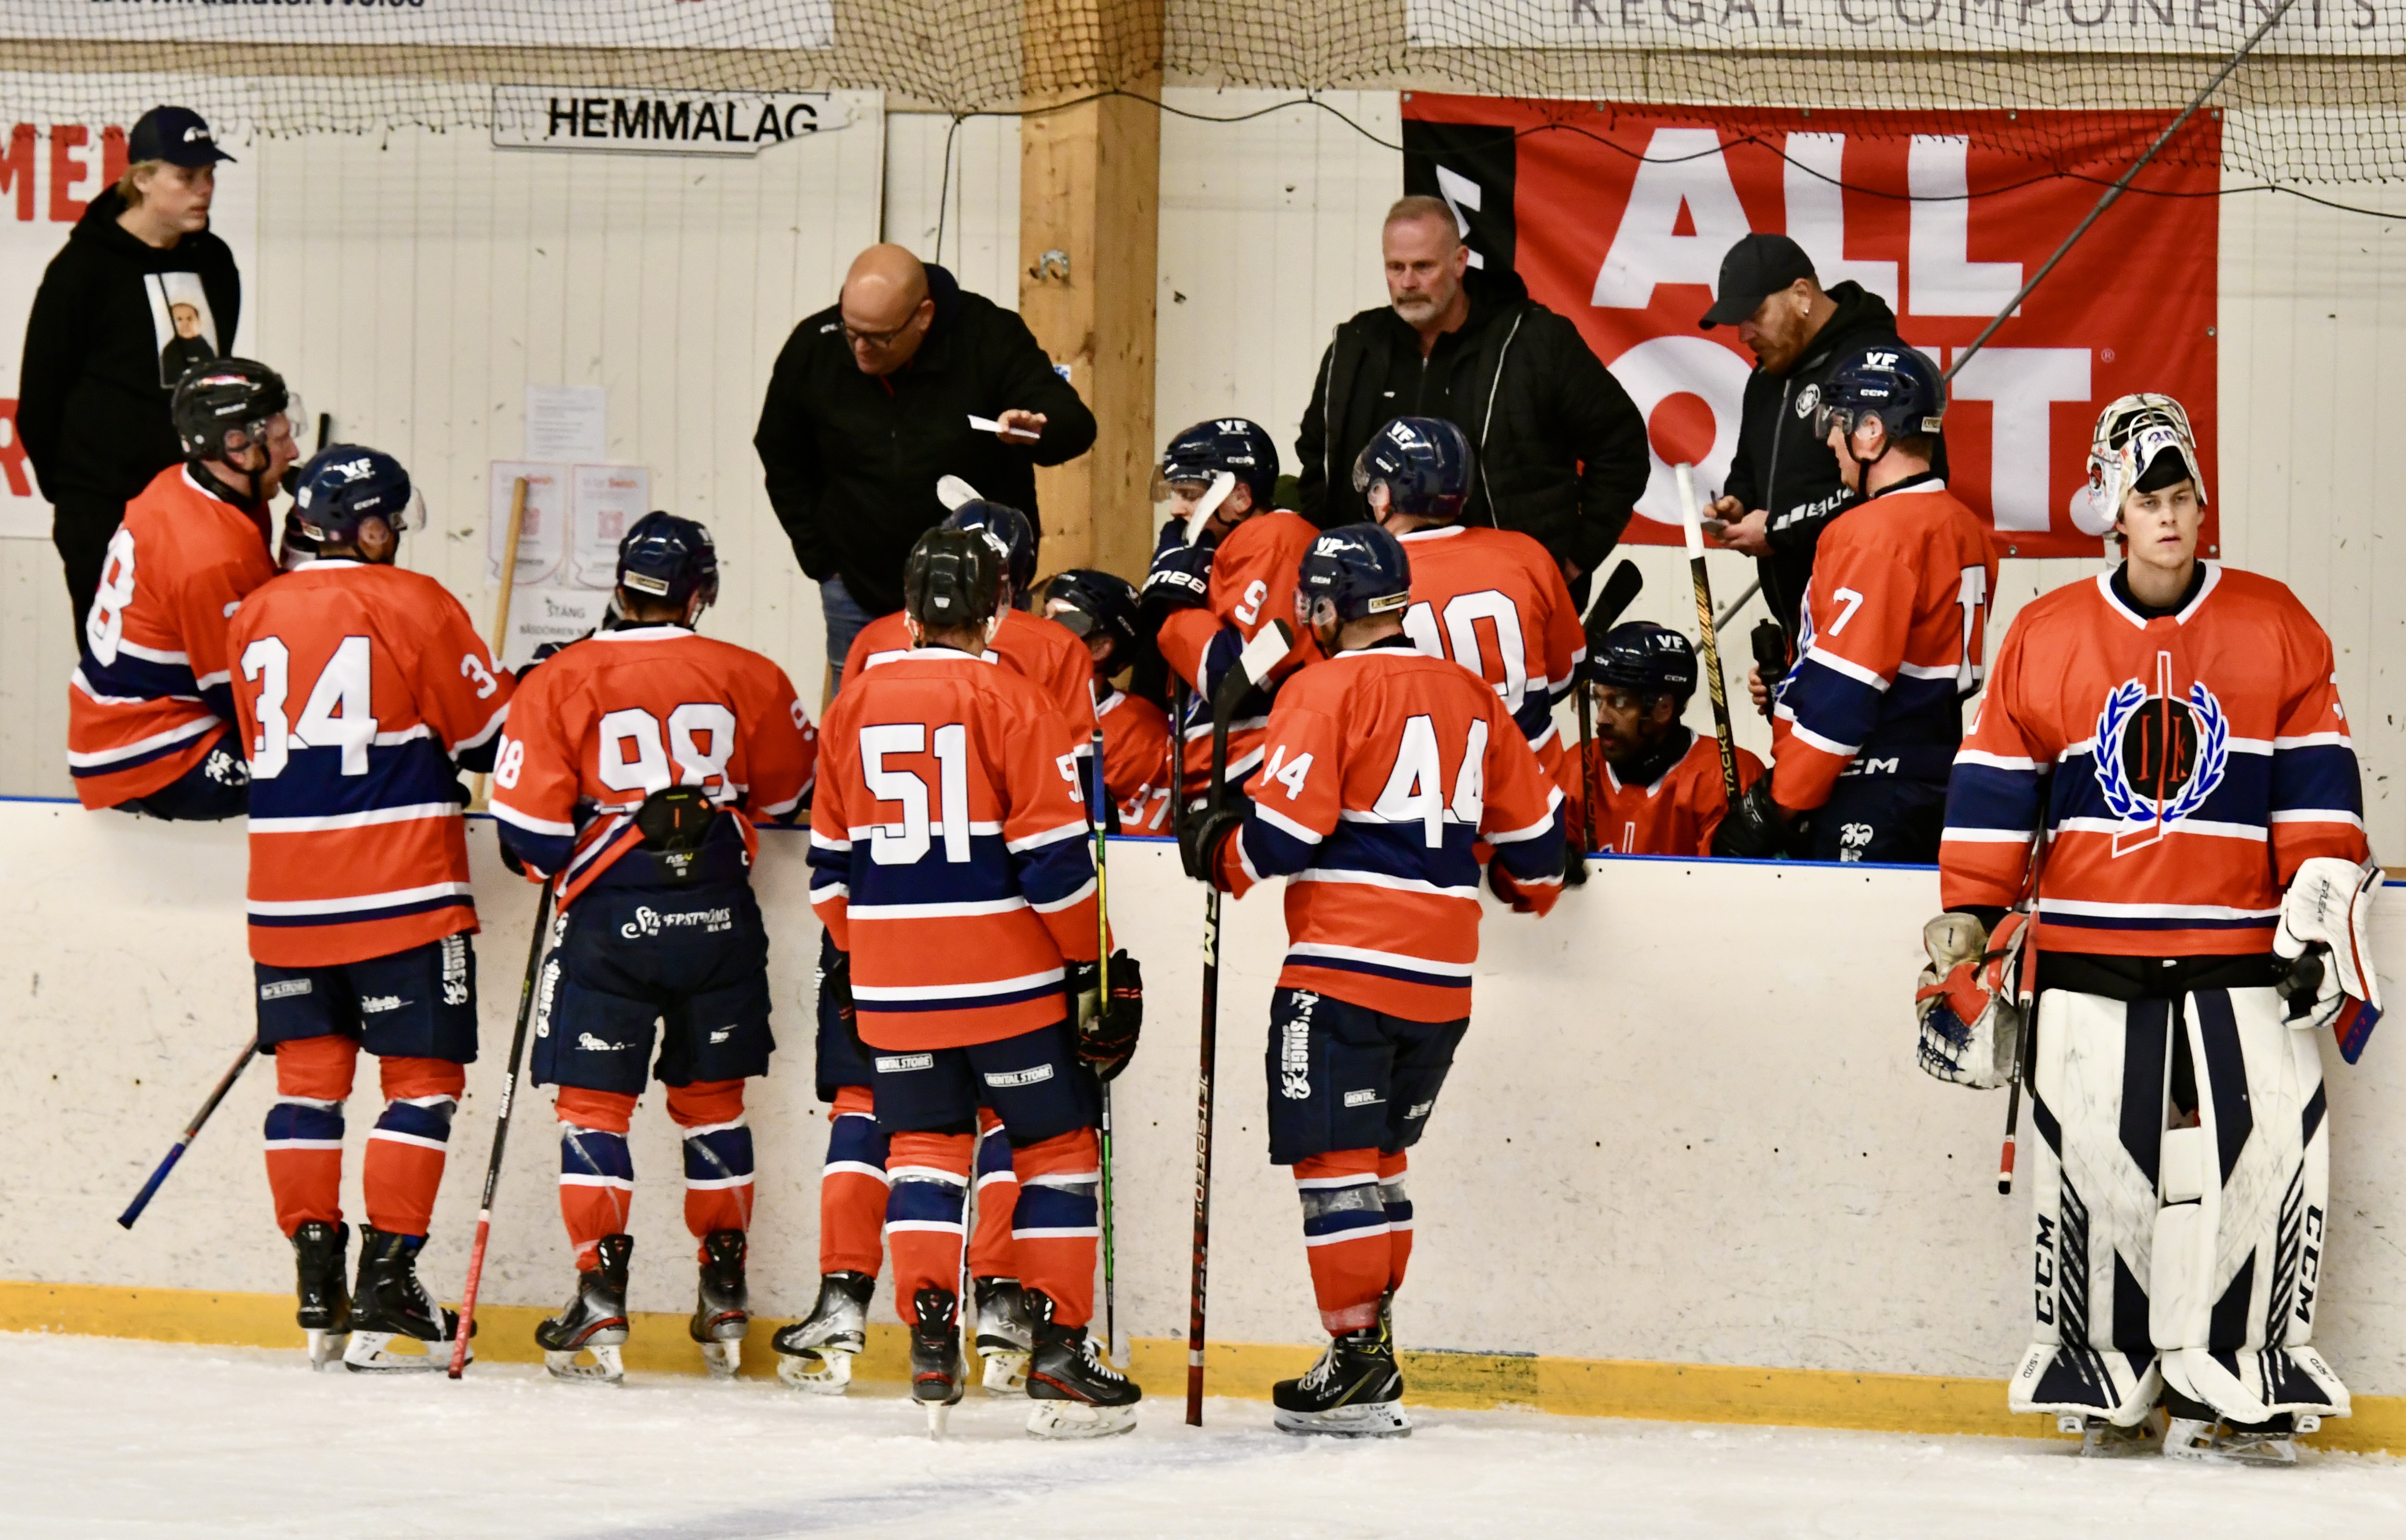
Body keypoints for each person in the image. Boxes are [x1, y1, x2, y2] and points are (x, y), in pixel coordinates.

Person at [1926, 393, 2375, 1464]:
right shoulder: (2045, 633)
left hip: (2239, 949)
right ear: (2108, 513)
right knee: (2090, 1159)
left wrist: (2316, 921)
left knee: (2273, 1150)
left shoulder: (2273, 620)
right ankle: (2100, 1367)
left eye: (2179, 497)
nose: (2168, 517)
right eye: (2146, 498)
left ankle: (2250, 1368)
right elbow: (1995, 787)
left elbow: (2316, 793)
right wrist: (1969, 919)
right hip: (2087, 945)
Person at [1178, 523, 1566, 1437]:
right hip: (1441, 982)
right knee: (1381, 1164)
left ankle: (1354, 1361)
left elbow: (1279, 839)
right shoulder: (1470, 694)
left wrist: (1217, 848)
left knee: (1334, 1164)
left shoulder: (1320, 688)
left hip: (1344, 967)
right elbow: (1539, 862)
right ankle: (1371, 1350)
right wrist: (1506, 879)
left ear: (1326, 604)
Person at [806, 526, 1146, 1438]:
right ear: (998, 605)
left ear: (910, 609)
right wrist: (1095, 960)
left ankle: (927, 1334)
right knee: (1055, 1147)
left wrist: (876, 952)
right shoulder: (1014, 699)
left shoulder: (852, 704)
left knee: (921, 1145)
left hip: (892, 984)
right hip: (1008, 982)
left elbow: (828, 876)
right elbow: (1052, 863)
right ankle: (1061, 1354)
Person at [485, 513, 816, 1385]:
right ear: (701, 591)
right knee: (714, 1106)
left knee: (594, 1111)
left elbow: (525, 832)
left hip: (611, 928)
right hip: (718, 921)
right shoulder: (752, 673)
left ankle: (599, 1293)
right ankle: (726, 1286)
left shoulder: (563, 676)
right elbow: (793, 798)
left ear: (619, 583)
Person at [225, 446, 513, 1373]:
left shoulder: (256, 611)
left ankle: (318, 1278)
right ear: (374, 527)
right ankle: (389, 1272)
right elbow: (488, 738)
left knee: (307, 1087)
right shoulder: (415, 601)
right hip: (401, 892)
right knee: (420, 1084)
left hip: (283, 897)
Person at [754, 244, 1097, 684]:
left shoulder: (989, 337)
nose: (860, 349)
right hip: (858, 588)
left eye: (879, 338)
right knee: (864, 720)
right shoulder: (815, 346)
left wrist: (1035, 431)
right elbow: (781, 452)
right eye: (850, 331)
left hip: (979, 595)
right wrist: (822, 559)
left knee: (988, 714)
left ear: (924, 315)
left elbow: (1076, 425)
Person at [1712, 345, 1993, 865]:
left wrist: (1781, 803)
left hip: (1866, 789)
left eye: (1837, 423)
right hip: (1934, 782)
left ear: (1871, 430)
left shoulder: (1871, 533)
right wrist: (1794, 681)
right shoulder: (1962, 525)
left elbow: (1845, 695)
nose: (1830, 441)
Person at [1295, 196, 1648, 598]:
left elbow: (1622, 446)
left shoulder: (1534, 341)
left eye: (1424, 267)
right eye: (1396, 267)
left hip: (1505, 600)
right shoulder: (1353, 347)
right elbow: (1316, 459)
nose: (1408, 283)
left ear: (1461, 261)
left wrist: (1575, 558)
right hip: (1370, 607)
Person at [18, 105, 242, 631]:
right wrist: (83, 496)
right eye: (186, 177)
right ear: (141, 179)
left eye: (209, 175)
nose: (204, 189)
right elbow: (41, 402)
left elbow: (214, 376)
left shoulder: (214, 262)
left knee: (201, 661)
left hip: (194, 504)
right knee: (115, 664)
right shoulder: (82, 271)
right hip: (105, 510)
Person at [66, 359, 297, 818]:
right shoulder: (212, 554)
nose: (292, 451)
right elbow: (245, 697)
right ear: (237, 446)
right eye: (280, 437)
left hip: (128, 725)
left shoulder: (188, 484)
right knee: (331, 772)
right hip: (153, 755)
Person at [1698, 233, 1941, 645]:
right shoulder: (1764, 378)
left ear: (1800, 294)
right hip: (1805, 633)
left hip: (1871, 625)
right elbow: (1749, 466)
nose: (1744, 335)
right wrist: (1738, 501)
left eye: (1755, 314)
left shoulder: (1875, 366)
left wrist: (1778, 530)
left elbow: (1907, 490)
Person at [1357, 416, 1585, 800]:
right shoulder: (1526, 555)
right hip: (1536, 798)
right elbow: (1564, 674)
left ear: (1383, 495)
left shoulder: (1367, 577)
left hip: (1431, 806)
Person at [1142, 418, 1319, 806]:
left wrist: (1176, 606)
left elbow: (1236, 683)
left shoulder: (1274, 540)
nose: (1175, 509)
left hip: (1258, 776)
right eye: (1174, 493)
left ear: (1240, 497)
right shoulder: (1226, 548)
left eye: (1189, 493)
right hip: (1226, 777)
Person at [1567, 622, 1765, 857]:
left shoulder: (1727, 776)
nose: (1601, 719)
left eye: (1620, 703)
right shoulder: (1577, 768)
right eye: (1598, 700)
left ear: (1664, 708)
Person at [1041, 568, 1174, 834]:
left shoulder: (1141, 737)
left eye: (1064, 621)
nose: (1042, 630)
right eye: (1043, 615)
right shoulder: (1010, 700)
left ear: (1101, 648)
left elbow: (1129, 858)